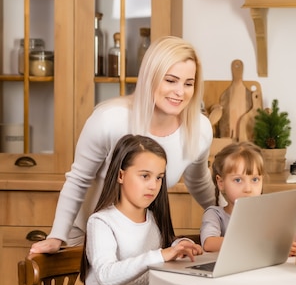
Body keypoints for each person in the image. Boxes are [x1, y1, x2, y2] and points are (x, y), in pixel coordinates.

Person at [31, 36, 215, 254]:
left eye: (188, 83)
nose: (180, 92)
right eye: (170, 80)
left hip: (141, 237)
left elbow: (199, 182)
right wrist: (56, 236)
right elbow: (79, 180)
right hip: (88, 234)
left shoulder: (199, 129)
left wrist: (227, 217)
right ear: (150, 78)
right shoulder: (110, 120)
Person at [81, 134, 203, 285]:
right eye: (145, 176)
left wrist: (179, 245)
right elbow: (106, 276)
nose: (154, 186)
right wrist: (161, 255)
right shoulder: (101, 222)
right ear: (121, 175)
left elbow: (164, 246)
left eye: (159, 178)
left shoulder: (154, 218)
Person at [200, 142, 296, 255]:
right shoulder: (215, 214)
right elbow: (209, 243)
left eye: (255, 180)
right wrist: (262, 245)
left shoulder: (269, 214)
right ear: (221, 183)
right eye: (238, 180)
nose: (248, 189)